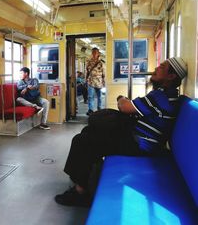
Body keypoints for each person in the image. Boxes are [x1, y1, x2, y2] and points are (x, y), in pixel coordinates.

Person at [55, 57, 188, 207]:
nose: (157, 68)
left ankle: (81, 192)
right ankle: (85, 175)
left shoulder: (161, 96)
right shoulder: (166, 94)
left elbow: (125, 107)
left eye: (162, 67)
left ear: (171, 76)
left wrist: (121, 99)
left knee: (82, 140)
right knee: (90, 130)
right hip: (140, 137)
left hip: (141, 145)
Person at [86, 48, 105, 115]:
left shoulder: (101, 62)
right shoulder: (89, 61)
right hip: (91, 81)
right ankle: (90, 110)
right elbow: (87, 71)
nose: (94, 54)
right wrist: (86, 79)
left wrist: (104, 82)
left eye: (95, 52)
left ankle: (99, 109)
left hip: (99, 82)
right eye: (93, 52)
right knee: (90, 96)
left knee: (99, 97)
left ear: (98, 53)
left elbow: (104, 73)